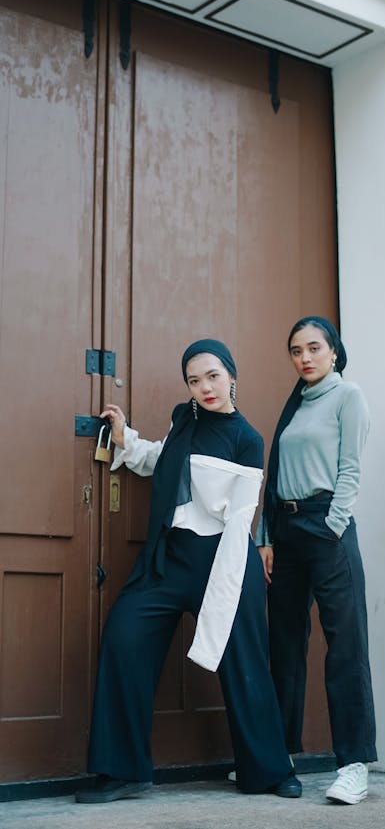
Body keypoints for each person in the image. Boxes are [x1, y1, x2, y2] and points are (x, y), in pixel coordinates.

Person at [76, 339, 301, 804]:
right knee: (124, 636)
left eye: (213, 376)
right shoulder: (185, 418)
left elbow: (241, 518)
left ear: (232, 376)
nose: (205, 387)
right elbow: (168, 462)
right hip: (168, 558)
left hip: (223, 559)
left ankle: (269, 769)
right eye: (195, 380)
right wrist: (127, 441)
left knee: (245, 662)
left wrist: (231, 582)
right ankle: (124, 771)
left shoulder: (247, 439)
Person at [255, 316, 377, 805]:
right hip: (285, 533)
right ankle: (280, 755)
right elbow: (276, 473)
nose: (304, 357)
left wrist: (334, 523)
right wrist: (266, 537)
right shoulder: (295, 406)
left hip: (328, 528)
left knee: (345, 643)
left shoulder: (348, 397)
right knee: (284, 643)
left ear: (333, 352)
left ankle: (353, 765)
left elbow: (351, 466)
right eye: (295, 350)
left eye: (313, 348)